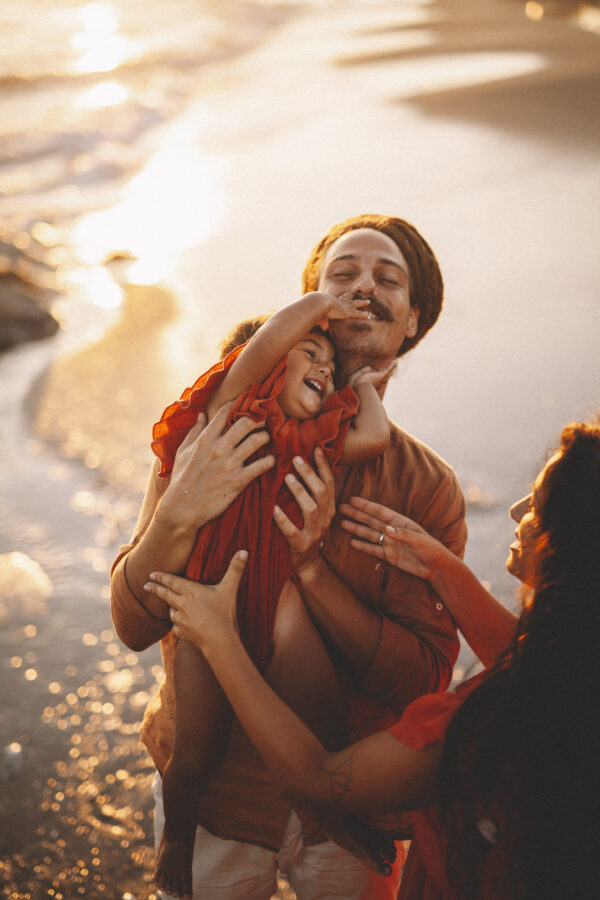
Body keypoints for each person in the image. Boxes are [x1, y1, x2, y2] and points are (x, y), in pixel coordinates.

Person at [110, 214, 467, 899]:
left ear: (412, 321)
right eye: (343, 275)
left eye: (386, 280)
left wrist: (311, 569)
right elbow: (132, 625)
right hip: (219, 799)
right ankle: (178, 835)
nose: (363, 286)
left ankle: (320, 795)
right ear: (308, 307)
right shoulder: (217, 431)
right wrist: (180, 510)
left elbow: (422, 673)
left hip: (354, 805)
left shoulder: (426, 487)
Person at [146, 418, 600, 899]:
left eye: (538, 505)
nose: (516, 509)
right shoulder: (577, 666)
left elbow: (319, 775)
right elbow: (540, 656)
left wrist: (221, 642)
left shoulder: (486, 728)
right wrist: (442, 568)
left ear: (568, 550)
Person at [146, 290, 394, 898]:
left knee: (326, 721)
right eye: (308, 354)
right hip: (211, 608)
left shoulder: (314, 442)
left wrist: (359, 383)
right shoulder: (235, 412)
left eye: (328, 368)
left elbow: (376, 438)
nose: (323, 369)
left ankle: (335, 813)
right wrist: (317, 305)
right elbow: (259, 348)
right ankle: (179, 835)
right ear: (266, 362)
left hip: (278, 605)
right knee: (197, 752)